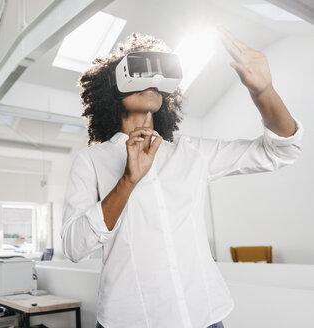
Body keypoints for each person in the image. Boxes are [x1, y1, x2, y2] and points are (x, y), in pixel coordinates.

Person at [60, 28, 304, 328]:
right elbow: (74, 247)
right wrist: (128, 181)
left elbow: (280, 151)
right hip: (132, 320)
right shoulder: (91, 161)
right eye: (139, 73)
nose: (151, 82)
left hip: (205, 315)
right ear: (112, 87)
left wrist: (264, 91)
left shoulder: (192, 153)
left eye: (158, 76)